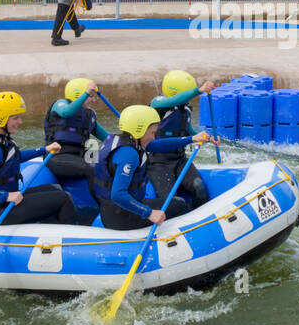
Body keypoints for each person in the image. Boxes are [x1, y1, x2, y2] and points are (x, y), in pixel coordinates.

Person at [93, 105, 218, 231]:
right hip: (121, 217)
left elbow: (159, 145)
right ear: (139, 130)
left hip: (115, 211)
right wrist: (149, 213)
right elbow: (117, 194)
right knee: (178, 204)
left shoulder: (126, 141)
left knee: (171, 202)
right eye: (152, 132)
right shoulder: (129, 154)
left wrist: (191, 138)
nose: (153, 137)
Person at [0, 92, 77, 225]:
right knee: (63, 199)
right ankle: (68, 239)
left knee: (55, 188)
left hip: (7, 199)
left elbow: (13, 157)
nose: (20, 122)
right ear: (2, 119)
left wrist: (44, 149)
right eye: (15, 118)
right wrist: (6, 196)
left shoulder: (1, 138)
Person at [146, 71, 217, 211]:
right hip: (158, 163)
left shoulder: (185, 110)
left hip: (179, 160)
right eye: (187, 93)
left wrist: (208, 138)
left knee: (198, 187)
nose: (189, 98)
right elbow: (175, 100)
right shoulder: (157, 103)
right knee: (171, 202)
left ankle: (200, 216)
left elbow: (189, 131)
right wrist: (198, 91)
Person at [44, 78, 109, 196]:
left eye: (94, 96)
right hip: (57, 156)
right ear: (79, 94)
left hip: (80, 156)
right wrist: (86, 93)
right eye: (91, 96)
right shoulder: (60, 104)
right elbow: (67, 112)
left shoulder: (89, 115)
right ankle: (104, 206)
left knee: (107, 163)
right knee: (91, 169)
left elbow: (107, 138)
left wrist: (128, 141)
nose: (94, 100)